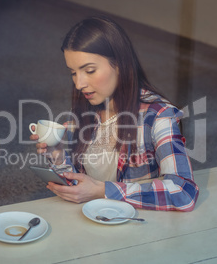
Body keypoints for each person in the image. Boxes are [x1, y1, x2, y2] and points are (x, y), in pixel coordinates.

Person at [30, 16, 199, 212]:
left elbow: (183, 191)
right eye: (73, 73)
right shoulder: (88, 111)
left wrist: (104, 191)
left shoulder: (158, 116)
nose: (79, 84)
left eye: (89, 70)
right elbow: (84, 188)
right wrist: (58, 156)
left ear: (119, 64)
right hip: (97, 220)